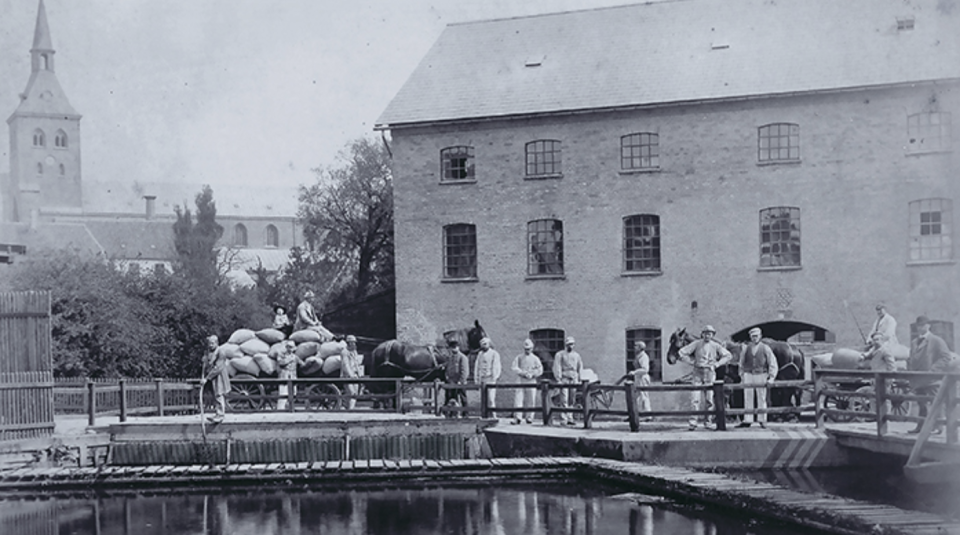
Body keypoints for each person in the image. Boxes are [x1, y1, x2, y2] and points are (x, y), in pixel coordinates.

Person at [677, 325, 733, 430]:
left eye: (710, 333)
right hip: (698, 372)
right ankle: (693, 422)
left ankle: (708, 421)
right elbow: (681, 353)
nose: (707, 335)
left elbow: (728, 355)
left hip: (710, 372)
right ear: (702, 334)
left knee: (709, 399)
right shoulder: (696, 344)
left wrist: (717, 364)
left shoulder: (716, 346)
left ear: (712, 335)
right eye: (705, 333)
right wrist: (691, 362)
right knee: (695, 398)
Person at [907, 315, 950, 434]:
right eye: (918, 326)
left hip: (932, 379)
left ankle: (938, 427)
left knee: (935, 403)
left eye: (923, 325)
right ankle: (920, 426)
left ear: (928, 326)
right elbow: (911, 358)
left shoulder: (936, 340)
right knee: (921, 404)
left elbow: (946, 357)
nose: (920, 328)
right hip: (918, 379)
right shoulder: (914, 342)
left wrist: (933, 370)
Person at [736, 327, 778, 429]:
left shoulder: (765, 348)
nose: (754, 338)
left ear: (760, 336)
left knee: (762, 397)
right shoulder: (746, 348)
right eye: (752, 336)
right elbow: (741, 363)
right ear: (750, 337)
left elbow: (772, 363)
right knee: (748, 397)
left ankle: (762, 420)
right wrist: (742, 376)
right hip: (748, 374)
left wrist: (771, 377)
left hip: (761, 374)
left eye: (756, 336)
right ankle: (748, 419)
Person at [552, 336, 583, 426]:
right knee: (564, 399)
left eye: (572, 344)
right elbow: (557, 366)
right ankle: (563, 418)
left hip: (573, 378)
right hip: (564, 378)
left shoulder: (577, 356)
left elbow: (580, 367)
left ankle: (570, 417)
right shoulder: (560, 355)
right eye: (569, 344)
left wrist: (579, 379)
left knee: (572, 399)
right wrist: (558, 378)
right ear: (566, 345)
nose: (570, 346)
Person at [511, 339, 544, 424]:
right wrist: (522, 372)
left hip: (531, 380)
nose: (527, 350)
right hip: (521, 379)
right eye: (526, 349)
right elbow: (514, 367)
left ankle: (529, 417)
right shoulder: (519, 357)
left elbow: (540, 369)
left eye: (529, 349)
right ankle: (518, 417)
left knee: (531, 398)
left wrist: (533, 374)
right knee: (518, 398)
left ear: (532, 348)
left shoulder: (535, 358)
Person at [200, 335, 230, 423]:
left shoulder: (221, 352)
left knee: (219, 394)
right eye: (209, 344)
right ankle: (217, 413)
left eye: (212, 343)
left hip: (219, 376)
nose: (210, 345)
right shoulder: (208, 352)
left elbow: (218, 368)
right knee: (215, 395)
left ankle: (220, 415)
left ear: (217, 343)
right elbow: (207, 363)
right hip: (213, 377)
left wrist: (207, 378)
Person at [474, 337, 502, 413]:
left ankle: (493, 414)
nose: (484, 346)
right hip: (482, 379)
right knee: (483, 399)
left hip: (490, 378)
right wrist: (476, 378)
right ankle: (484, 415)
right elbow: (477, 366)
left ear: (489, 344)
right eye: (482, 345)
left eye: (485, 344)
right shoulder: (480, 354)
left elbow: (497, 366)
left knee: (491, 398)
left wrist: (495, 376)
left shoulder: (494, 354)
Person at [444, 339, 470, 416]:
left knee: (463, 398)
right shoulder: (450, 358)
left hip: (460, 382)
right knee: (452, 398)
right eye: (452, 347)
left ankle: (465, 413)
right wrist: (447, 378)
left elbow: (464, 371)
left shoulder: (462, 357)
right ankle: (453, 413)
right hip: (451, 382)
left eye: (455, 347)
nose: (453, 349)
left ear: (458, 348)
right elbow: (448, 369)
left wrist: (461, 381)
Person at [276, 340, 302, 410]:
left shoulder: (295, 357)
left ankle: (289, 408)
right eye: (289, 347)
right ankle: (280, 409)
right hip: (284, 376)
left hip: (293, 376)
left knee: (294, 393)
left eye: (291, 347)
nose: (290, 349)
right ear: (286, 348)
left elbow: (301, 363)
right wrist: (289, 360)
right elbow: (281, 363)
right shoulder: (281, 355)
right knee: (283, 393)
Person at [340, 335, 363, 409]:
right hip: (347, 376)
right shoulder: (344, 352)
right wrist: (351, 375)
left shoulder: (354, 352)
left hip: (355, 376)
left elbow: (357, 364)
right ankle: (350, 409)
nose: (355, 344)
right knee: (351, 392)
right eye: (353, 343)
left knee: (355, 393)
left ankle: (348, 408)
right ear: (349, 343)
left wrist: (359, 374)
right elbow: (345, 365)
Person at [632, 340, 652, 418]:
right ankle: (635, 414)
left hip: (642, 378)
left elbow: (645, 369)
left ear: (640, 348)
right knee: (636, 397)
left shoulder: (644, 357)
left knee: (644, 396)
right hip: (638, 378)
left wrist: (634, 372)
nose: (634, 348)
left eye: (636, 346)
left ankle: (647, 415)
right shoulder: (638, 356)